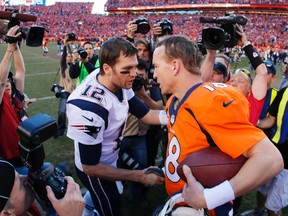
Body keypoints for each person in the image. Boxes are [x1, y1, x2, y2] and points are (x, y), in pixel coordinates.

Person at [151, 35, 283, 215]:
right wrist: (167, 169)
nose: (154, 74)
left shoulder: (208, 101)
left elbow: (270, 158)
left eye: (157, 67)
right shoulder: (176, 99)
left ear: (175, 66)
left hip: (204, 209)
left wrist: (210, 197)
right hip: (179, 198)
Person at [66, 37, 165, 216]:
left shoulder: (117, 78)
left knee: (114, 194)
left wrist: (177, 117)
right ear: (106, 68)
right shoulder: (88, 108)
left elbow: (147, 115)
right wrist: (140, 176)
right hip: (95, 169)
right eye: (127, 70)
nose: (134, 74)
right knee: (111, 209)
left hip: (110, 155)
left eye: (135, 66)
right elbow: (91, 167)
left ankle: (88, 206)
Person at [117, 58, 163, 208]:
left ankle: (137, 197)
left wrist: (143, 95)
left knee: (141, 168)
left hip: (140, 136)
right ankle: (116, 194)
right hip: (121, 136)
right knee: (116, 168)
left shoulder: (152, 85)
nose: (136, 79)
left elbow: (159, 108)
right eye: (134, 75)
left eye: (140, 76)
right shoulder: (121, 85)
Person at [247, 87, 288, 216]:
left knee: (273, 205)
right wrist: (253, 122)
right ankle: (258, 212)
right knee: (262, 189)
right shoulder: (284, 91)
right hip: (275, 153)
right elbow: (271, 120)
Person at [0, 159, 85, 216]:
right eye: (21, 185)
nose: (26, 178)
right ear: (7, 213)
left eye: (19, 174)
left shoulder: (27, 205)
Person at [0, 25, 29, 175]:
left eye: (8, 81)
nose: (6, 84)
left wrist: (16, 45)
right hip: (10, 162)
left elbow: (21, 71)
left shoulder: (17, 96)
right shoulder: (2, 100)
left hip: (27, 154)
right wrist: (9, 48)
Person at [54, 36, 77, 138]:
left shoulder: (75, 67)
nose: (68, 57)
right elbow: (63, 57)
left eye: (70, 56)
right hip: (64, 91)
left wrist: (73, 56)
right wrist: (65, 45)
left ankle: (74, 130)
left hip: (74, 92)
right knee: (62, 111)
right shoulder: (63, 67)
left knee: (75, 114)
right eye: (67, 56)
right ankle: (60, 130)